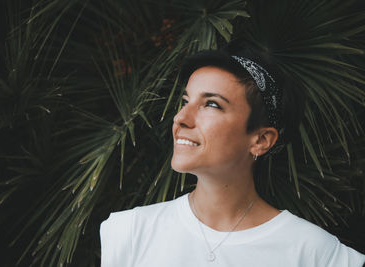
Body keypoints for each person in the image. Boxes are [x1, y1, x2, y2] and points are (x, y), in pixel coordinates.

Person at [99, 44, 365, 266]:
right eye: (185, 102)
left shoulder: (314, 253)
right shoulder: (130, 232)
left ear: (260, 140)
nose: (181, 118)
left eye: (211, 104)